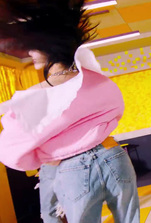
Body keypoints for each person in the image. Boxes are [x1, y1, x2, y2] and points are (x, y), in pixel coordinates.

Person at [0, 0, 139, 222]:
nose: (30, 52)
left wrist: (44, 155)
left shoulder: (36, 96)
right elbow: (116, 109)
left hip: (73, 168)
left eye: (35, 46)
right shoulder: (98, 81)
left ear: (50, 46)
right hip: (113, 154)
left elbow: (10, 148)